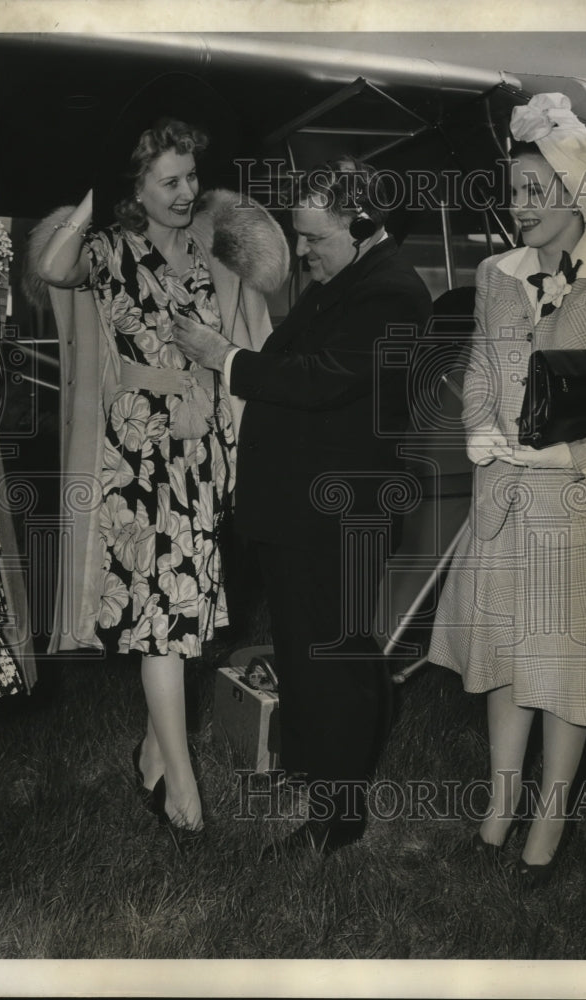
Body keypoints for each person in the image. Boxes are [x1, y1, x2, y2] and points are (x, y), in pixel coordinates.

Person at [428, 93, 586, 886]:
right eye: (514, 189)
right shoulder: (495, 276)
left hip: (573, 512)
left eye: (536, 191)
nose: (519, 205)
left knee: (563, 671)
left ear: (577, 198)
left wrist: (582, 459)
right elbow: (478, 370)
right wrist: (475, 431)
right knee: (503, 658)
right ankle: (500, 806)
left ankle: (550, 820)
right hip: (499, 501)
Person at [33, 77, 288, 835]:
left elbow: (244, 338)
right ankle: (182, 788)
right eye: (169, 181)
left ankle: (151, 756)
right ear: (136, 186)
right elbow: (50, 267)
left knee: (190, 615)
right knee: (163, 626)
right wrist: (88, 199)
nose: (186, 192)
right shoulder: (109, 250)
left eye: (191, 178)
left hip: (201, 452)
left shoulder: (213, 256)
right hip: (141, 460)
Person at [173, 156, 433, 855]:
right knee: (314, 655)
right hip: (304, 512)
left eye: (316, 238)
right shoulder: (343, 278)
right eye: (301, 235)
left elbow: (315, 382)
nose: (304, 252)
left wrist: (222, 357)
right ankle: (323, 778)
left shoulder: (391, 293)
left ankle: (338, 816)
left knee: (334, 662)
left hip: (339, 516)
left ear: (365, 224)